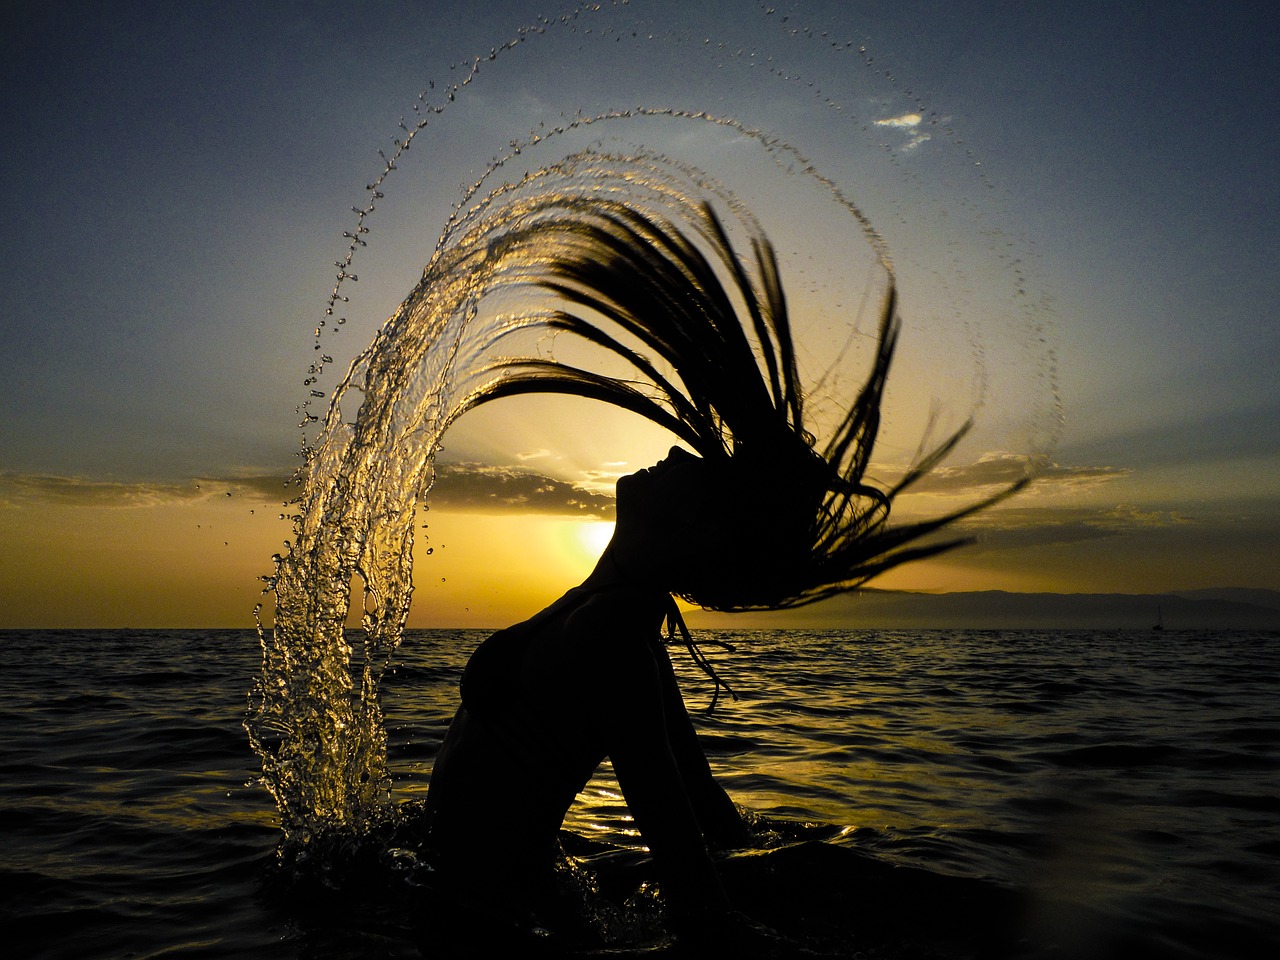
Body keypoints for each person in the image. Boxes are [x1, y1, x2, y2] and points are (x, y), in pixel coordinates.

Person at [415, 198, 1026, 949]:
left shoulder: (613, 632)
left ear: (698, 527)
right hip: (490, 909)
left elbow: (689, 880)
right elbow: (709, 809)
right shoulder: (617, 618)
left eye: (694, 471)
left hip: (477, 931)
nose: (673, 456)